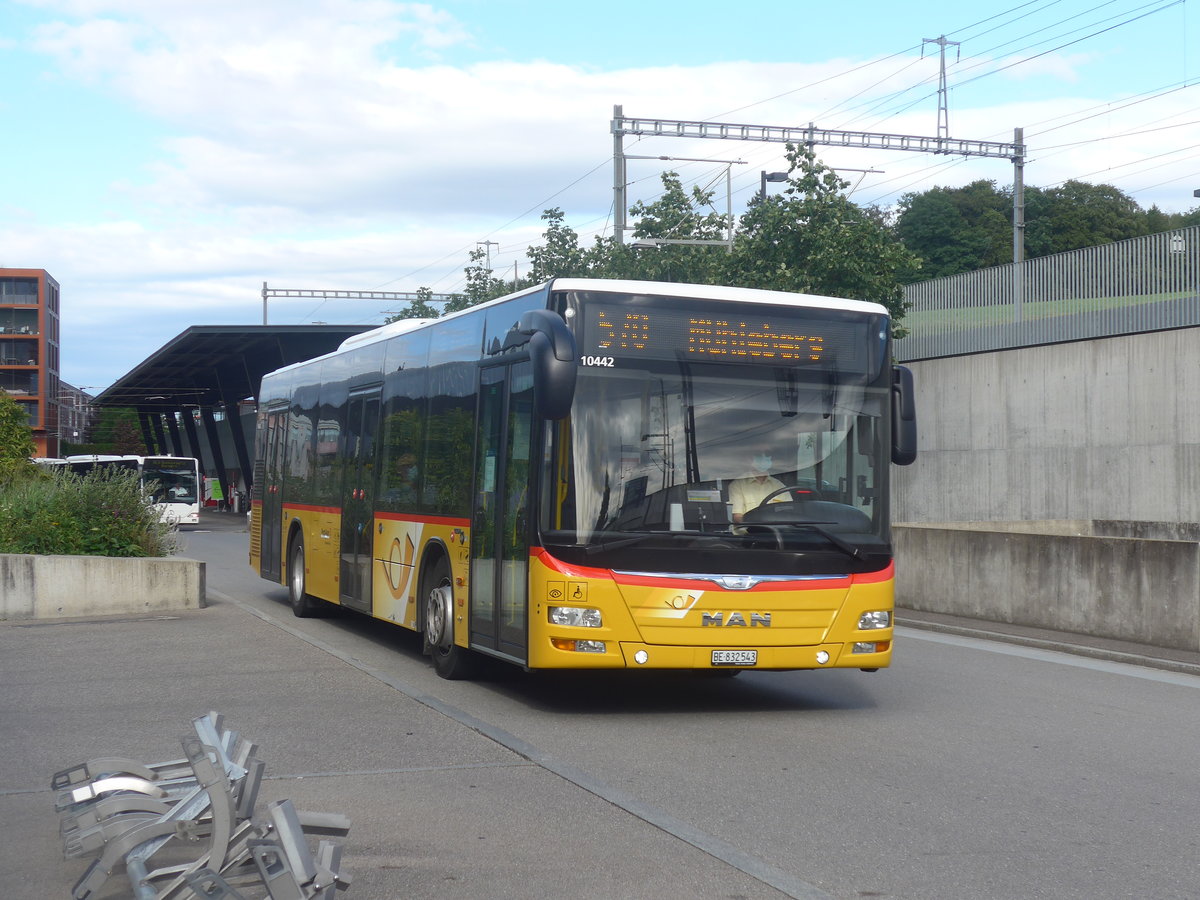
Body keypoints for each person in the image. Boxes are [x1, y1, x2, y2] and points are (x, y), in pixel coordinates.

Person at [728, 454, 787, 523]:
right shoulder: (737, 484)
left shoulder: (779, 485)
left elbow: (788, 513)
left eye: (767, 454)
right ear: (749, 459)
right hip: (748, 532)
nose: (763, 458)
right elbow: (737, 517)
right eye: (759, 454)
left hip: (776, 531)